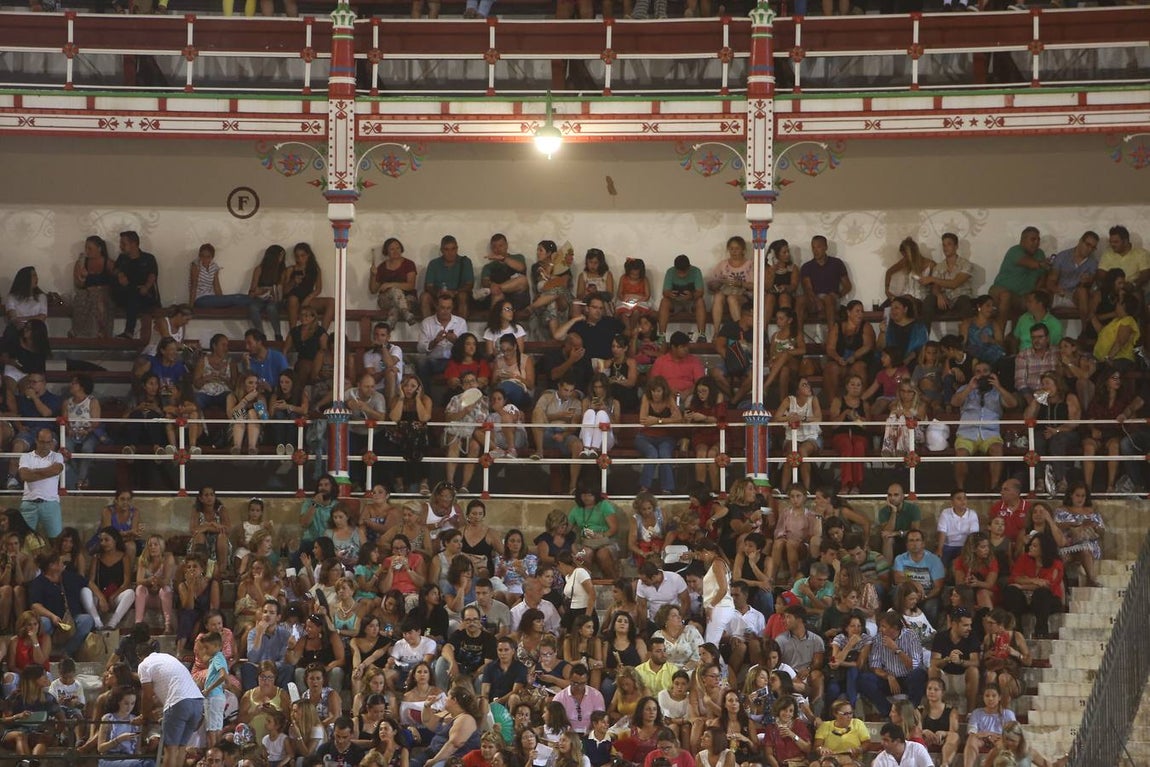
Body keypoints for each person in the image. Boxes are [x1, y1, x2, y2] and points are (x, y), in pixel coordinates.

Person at [137, 641, 205, 767]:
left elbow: (147, 695)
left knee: (171, 750)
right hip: (198, 702)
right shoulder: (168, 657)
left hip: (178, 702)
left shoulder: (144, 665)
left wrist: (144, 716)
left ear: (139, 656)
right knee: (181, 748)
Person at [989, 226, 1047, 338]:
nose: (1036, 242)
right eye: (1033, 239)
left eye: (1038, 239)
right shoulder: (1015, 250)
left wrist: (1036, 292)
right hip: (1000, 292)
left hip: (1023, 296)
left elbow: (1042, 276)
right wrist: (1041, 264)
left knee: (1036, 301)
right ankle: (999, 337)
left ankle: (1017, 340)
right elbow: (1029, 263)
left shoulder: (1040, 254)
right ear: (1023, 240)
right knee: (1006, 296)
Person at [928, 608, 981, 713]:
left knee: (973, 671)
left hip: (963, 678)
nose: (969, 628)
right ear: (954, 624)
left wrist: (960, 662)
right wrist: (948, 659)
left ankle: (970, 713)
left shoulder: (972, 637)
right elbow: (934, 662)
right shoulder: (941, 637)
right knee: (932, 670)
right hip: (945, 678)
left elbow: (976, 662)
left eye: (970, 625)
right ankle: (936, 711)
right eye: (965, 625)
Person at [112, 230, 161, 340]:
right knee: (131, 295)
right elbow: (114, 269)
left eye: (123, 244)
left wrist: (146, 287)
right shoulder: (122, 259)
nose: (121, 247)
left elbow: (152, 275)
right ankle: (128, 332)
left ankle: (129, 332)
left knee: (135, 296)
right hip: (128, 294)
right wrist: (120, 274)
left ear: (133, 243)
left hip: (145, 294)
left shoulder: (148, 258)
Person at [17, 427, 64, 539]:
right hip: (29, 502)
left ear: (52, 442)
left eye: (48, 442)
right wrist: (47, 471)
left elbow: (56, 470)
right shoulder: (26, 456)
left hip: (50, 503)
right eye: (42, 442)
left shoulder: (57, 456)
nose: (45, 445)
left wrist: (34, 472)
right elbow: (25, 476)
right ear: (36, 441)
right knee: (24, 539)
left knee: (57, 540)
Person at [919, 232, 975, 327]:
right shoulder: (939, 267)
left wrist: (932, 279)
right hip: (944, 301)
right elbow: (935, 287)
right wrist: (939, 294)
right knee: (929, 300)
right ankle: (923, 338)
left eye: (949, 244)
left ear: (956, 246)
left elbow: (954, 284)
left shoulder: (966, 264)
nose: (945, 248)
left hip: (960, 298)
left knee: (964, 301)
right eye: (944, 245)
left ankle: (967, 338)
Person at [892, 530, 945, 625]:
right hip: (906, 594)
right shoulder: (900, 559)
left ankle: (929, 635)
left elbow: (938, 587)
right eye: (911, 540)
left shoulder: (934, 560)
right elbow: (897, 579)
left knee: (931, 607)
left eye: (917, 540)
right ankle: (900, 628)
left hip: (928, 595)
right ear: (907, 544)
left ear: (923, 543)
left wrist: (924, 597)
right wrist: (914, 583)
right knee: (897, 593)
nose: (914, 543)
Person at [1044, 230, 1100, 320]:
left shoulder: (1092, 262)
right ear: (1080, 241)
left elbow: (1090, 284)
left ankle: (1084, 331)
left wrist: (1086, 281)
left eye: (1093, 247)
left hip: (1077, 295)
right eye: (1088, 245)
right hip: (1060, 293)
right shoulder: (1062, 256)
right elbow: (1051, 281)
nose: (1089, 249)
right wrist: (1056, 289)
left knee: (1083, 292)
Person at [553, 295, 625, 364]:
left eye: (601, 308)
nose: (598, 311)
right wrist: (575, 319)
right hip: (584, 366)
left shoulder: (610, 322)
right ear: (587, 309)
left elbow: (626, 334)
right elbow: (557, 336)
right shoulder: (579, 325)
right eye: (594, 307)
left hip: (606, 365)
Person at [417, 293, 469, 387]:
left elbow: (466, 347)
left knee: (464, 363)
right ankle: (427, 398)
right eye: (442, 307)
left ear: (452, 308)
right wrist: (435, 342)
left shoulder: (461, 322)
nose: (445, 311)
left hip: (454, 360)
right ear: (437, 307)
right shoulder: (427, 322)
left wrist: (455, 341)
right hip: (434, 361)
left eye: (448, 308)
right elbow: (420, 348)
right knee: (422, 362)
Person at [800, 234, 852, 325]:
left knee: (828, 299)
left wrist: (838, 295)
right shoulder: (807, 266)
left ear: (825, 247)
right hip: (814, 299)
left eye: (818, 247)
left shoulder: (837, 263)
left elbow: (847, 286)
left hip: (832, 298)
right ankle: (799, 334)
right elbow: (808, 289)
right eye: (813, 248)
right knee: (800, 299)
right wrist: (817, 300)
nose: (815, 251)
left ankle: (831, 332)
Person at [707, 236, 754, 335]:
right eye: (731, 249)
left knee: (732, 298)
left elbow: (756, 286)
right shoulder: (723, 264)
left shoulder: (750, 264)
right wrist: (719, 283)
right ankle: (716, 332)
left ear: (743, 250)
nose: (734, 251)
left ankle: (741, 332)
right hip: (726, 294)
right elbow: (711, 284)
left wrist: (740, 283)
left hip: (745, 297)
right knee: (718, 296)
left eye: (737, 248)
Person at [962, 685, 1016, 767]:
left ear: (999, 697)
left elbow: (1013, 733)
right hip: (982, 739)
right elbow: (972, 732)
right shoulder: (977, 712)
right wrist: (988, 735)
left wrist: (998, 737)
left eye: (994, 696)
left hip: (1000, 739)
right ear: (983, 697)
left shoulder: (1008, 714)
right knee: (971, 739)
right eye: (987, 696)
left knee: (1002, 744)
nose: (990, 699)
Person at [73, 234, 115, 339]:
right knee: (81, 297)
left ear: (99, 249)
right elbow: (79, 284)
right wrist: (81, 276)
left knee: (98, 297)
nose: (87, 251)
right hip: (87, 294)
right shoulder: (81, 263)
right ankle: (81, 332)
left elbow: (114, 282)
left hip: (104, 294)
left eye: (90, 248)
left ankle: (101, 331)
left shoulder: (108, 263)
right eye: (86, 248)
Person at [422, 235, 475, 318]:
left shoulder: (465, 262)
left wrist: (454, 292)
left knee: (463, 296)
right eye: (446, 249)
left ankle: (461, 329)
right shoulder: (434, 264)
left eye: (453, 249)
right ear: (442, 250)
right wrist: (438, 293)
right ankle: (428, 328)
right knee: (425, 297)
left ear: (457, 249)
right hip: (438, 297)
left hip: (457, 297)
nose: (450, 253)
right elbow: (429, 286)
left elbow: (469, 284)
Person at [371, 237, 419, 326]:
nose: (396, 251)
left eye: (398, 248)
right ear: (386, 251)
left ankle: (388, 327)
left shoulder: (409, 264)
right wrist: (373, 275)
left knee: (396, 306)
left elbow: (411, 285)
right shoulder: (382, 267)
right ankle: (406, 314)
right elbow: (373, 290)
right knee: (395, 291)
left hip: (407, 298)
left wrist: (390, 284)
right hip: (386, 300)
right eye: (392, 249)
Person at [658, 254, 707, 340]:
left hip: (691, 302)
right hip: (675, 302)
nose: (681, 275)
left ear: (689, 267)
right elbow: (665, 292)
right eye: (679, 272)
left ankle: (702, 335)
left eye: (684, 272)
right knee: (664, 301)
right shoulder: (670, 272)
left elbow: (700, 292)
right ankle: (661, 336)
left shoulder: (696, 271)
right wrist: (670, 294)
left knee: (700, 301)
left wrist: (691, 295)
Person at [478, 233, 530, 311]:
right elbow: (484, 282)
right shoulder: (488, 267)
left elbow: (521, 268)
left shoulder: (518, 257)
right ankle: (495, 322)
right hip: (499, 297)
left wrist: (503, 259)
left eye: (501, 246)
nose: (498, 249)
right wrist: (491, 285)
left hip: (518, 297)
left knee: (523, 280)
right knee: (497, 293)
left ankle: (498, 288)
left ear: (506, 245)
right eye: (494, 247)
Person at [649, 331, 705, 400]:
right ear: (673, 347)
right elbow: (654, 382)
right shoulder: (661, 361)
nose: (686, 349)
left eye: (687, 346)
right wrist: (668, 391)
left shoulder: (694, 360)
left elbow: (701, 382)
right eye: (682, 347)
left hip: (689, 395)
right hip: (666, 395)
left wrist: (687, 392)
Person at [248, 244, 287, 341]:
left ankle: (278, 335)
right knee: (253, 307)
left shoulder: (282, 270)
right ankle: (260, 334)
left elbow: (281, 289)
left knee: (271, 307)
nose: (281, 258)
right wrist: (259, 291)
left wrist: (270, 290)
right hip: (261, 297)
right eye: (280, 255)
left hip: (276, 298)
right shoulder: (259, 269)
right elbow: (252, 291)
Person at [1098, 224, 1150, 295]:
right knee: (1097, 295)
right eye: (1111, 242)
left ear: (1125, 241)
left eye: (1116, 242)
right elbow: (1101, 274)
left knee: (1137, 294)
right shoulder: (1107, 254)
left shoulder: (1141, 253)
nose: (1112, 245)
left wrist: (1133, 285)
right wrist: (1112, 285)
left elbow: (1145, 274)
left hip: (1132, 289)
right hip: (1111, 289)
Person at [243, 329, 290, 396]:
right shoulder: (247, 360)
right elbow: (248, 384)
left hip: (277, 394)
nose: (247, 347)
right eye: (246, 344)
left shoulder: (278, 357)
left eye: (249, 343)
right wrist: (247, 366)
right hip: (256, 395)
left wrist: (271, 389)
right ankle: (261, 407)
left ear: (259, 342)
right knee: (260, 399)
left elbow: (287, 381)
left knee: (273, 398)